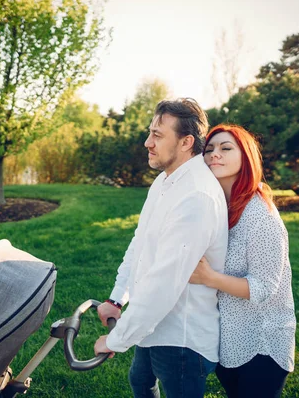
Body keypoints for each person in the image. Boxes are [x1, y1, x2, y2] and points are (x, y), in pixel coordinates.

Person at [93, 98, 228, 398]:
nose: (147, 142)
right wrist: (117, 299)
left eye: (157, 135)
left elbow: (165, 283)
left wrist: (117, 340)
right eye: (150, 132)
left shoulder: (196, 195)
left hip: (182, 338)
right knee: (140, 383)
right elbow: (140, 243)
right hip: (154, 325)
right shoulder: (165, 181)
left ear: (186, 142)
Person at [190, 123, 296, 398]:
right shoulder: (219, 207)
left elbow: (263, 289)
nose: (215, 154)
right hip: (229, 340)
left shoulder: (261, 216)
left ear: (246, 157)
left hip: (261, 344)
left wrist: (209, 277)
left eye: (226, 148)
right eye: (209, 149)